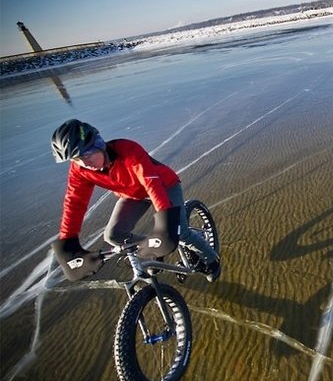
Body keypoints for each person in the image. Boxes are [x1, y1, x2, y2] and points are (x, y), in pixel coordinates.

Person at [50, 119, 220, 282]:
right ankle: (154, 252)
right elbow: (74, 203)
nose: (85, 163)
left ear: (98, 143)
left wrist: (166, 224)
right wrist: (68, 242)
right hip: (133, 196)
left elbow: (151, 183)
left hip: (164, 186)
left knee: (179, 231)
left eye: (87, 154)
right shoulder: (80, 170)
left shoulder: (128, 149)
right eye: (77, 159)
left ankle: (212, 261)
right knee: (113, 235)